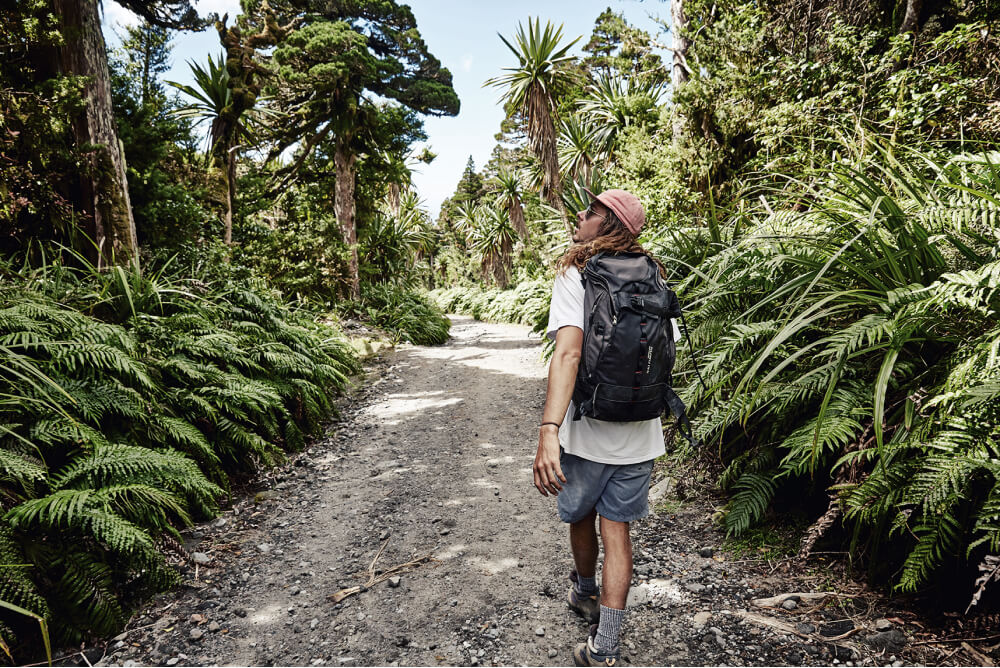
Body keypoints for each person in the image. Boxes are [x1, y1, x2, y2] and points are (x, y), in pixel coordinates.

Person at [534, 188, 680, 667]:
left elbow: (569, 353)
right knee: (618, 533)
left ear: (611, 224)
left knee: (580, 515)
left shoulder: (577, 271)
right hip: (641, 430)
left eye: (593, 211)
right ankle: (606, 647)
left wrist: (548, 431)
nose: (582, 214)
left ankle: (584, 592)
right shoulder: (655, 274)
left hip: (586, 429)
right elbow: (665, 350)